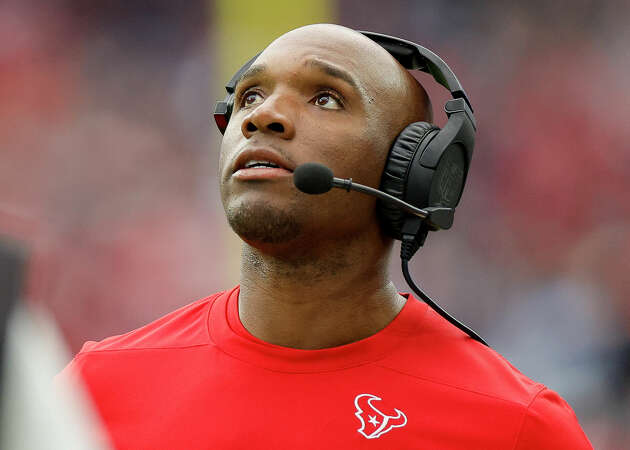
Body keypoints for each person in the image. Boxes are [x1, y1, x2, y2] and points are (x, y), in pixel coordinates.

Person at [60, 24, 593, 449]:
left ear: (414, 171)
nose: (263, 116)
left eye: (326, 98)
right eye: (249, 97)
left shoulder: (516, 428)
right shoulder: (90, 392)